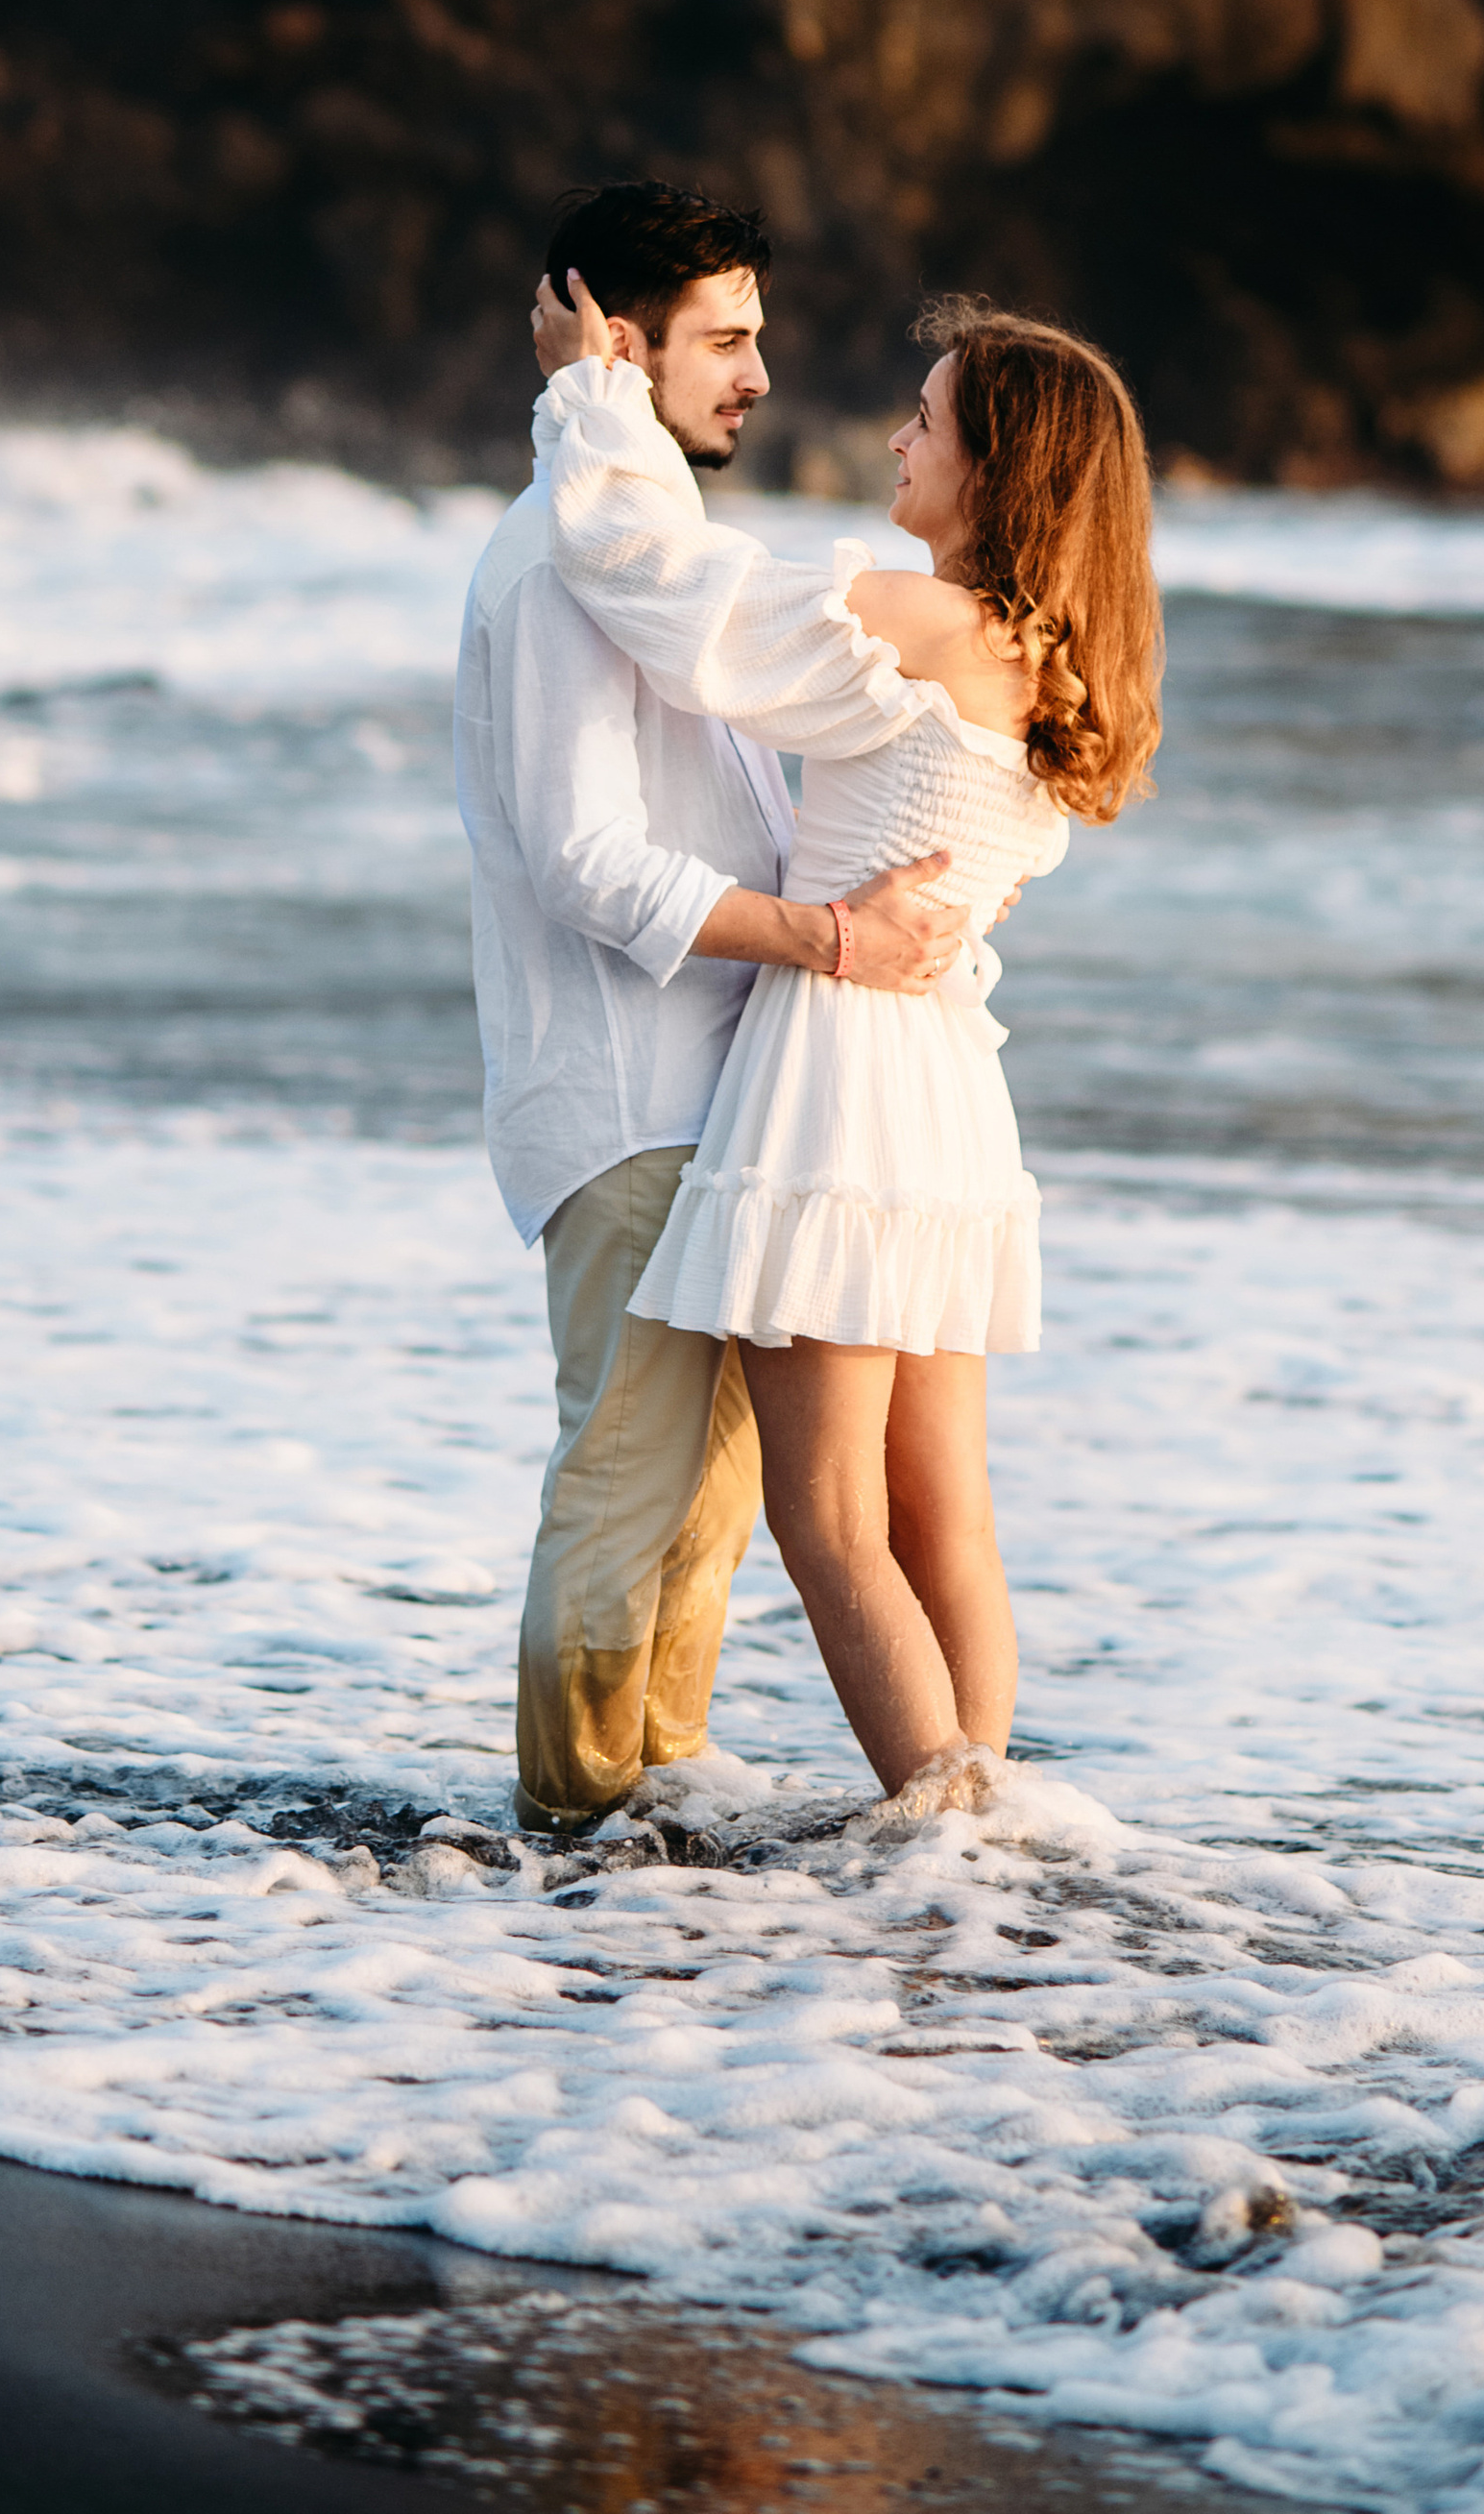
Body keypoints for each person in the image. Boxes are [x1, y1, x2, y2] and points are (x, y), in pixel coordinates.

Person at [527, 270, 1162, 1818]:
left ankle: (940, 1832)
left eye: (926, 422)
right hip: (950, 1097)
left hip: (839, 1081)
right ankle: (990, 1820)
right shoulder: (1051, 663)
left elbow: (659, 588)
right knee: (945, 1509)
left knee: (827, 1517)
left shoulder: (918, 623)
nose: (894, 438)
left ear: (998, 471)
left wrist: (589, 392)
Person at [456, 182, 977, 1835]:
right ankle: (572, 1823)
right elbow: (585, 861)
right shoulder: (554, 563)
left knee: (715, 1502)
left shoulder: (673, 556)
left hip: (732, 1097)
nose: (759, 373)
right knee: (628, 1479)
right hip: (623, 1097)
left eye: (761, 336)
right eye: (725, 339)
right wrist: (830, 939)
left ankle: (647, 1817)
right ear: (623, 345)